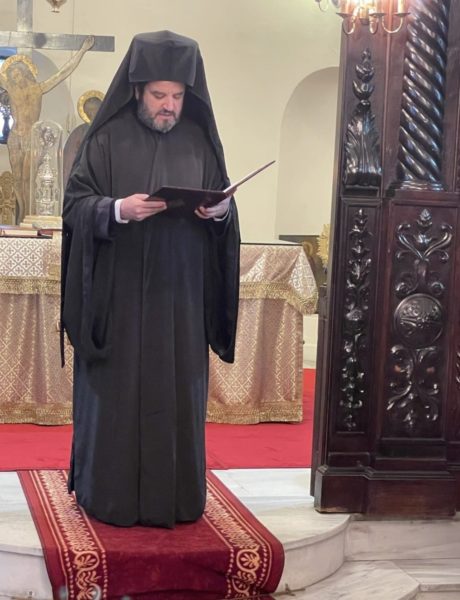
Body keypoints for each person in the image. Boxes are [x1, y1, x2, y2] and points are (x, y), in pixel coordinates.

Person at [61, 31, 240, 528]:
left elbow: (224, 207)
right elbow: (74, 206)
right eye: (160, 95)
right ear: (138, 89)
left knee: (176, 394)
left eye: (177, 96)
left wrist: (221, 212)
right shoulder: (105, 140)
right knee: (117, 397)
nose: (169, 105)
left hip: (179, 298)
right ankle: (108, 495)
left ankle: (175, 499)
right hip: (118, 297)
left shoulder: (200, 141)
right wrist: (118, 208)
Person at [0, 36, 94, 223]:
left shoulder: (38, 89)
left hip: (31, 138)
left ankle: (27, 216)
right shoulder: (11, 90)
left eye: (17, 74)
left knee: (29, 179)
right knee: (17, 180)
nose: (15, 78)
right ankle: (20, 218)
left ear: (25, 73)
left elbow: (63, 73)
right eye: (12, 75)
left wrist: (82, 51)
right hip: (15, 137)